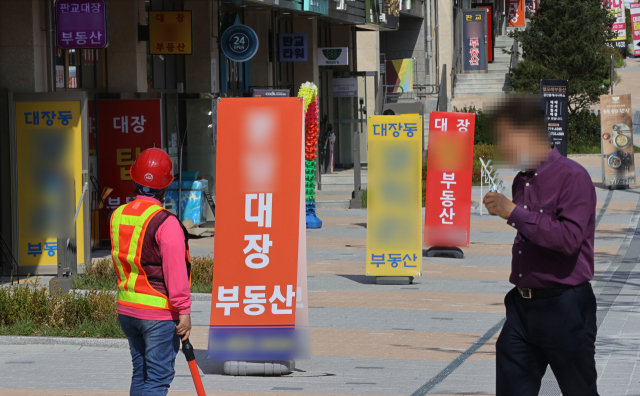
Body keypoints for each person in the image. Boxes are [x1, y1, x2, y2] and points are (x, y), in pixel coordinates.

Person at [482, 96, 598, 395]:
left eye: (506, 138)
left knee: (579, 391)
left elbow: (568, 239)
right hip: (522, 309)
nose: (503, 148)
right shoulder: (522, 180)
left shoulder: (573, 177)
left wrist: (513, 212)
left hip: (565, 307)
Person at [110, 148, 192, 396]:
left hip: (127, 309)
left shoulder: (118, 215)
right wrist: (184, 311)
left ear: (134, 180)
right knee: (157, 380)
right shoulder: (165, 223)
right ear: (166, 186)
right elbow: (175, 272)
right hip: (158, 313)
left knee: (142, 374)